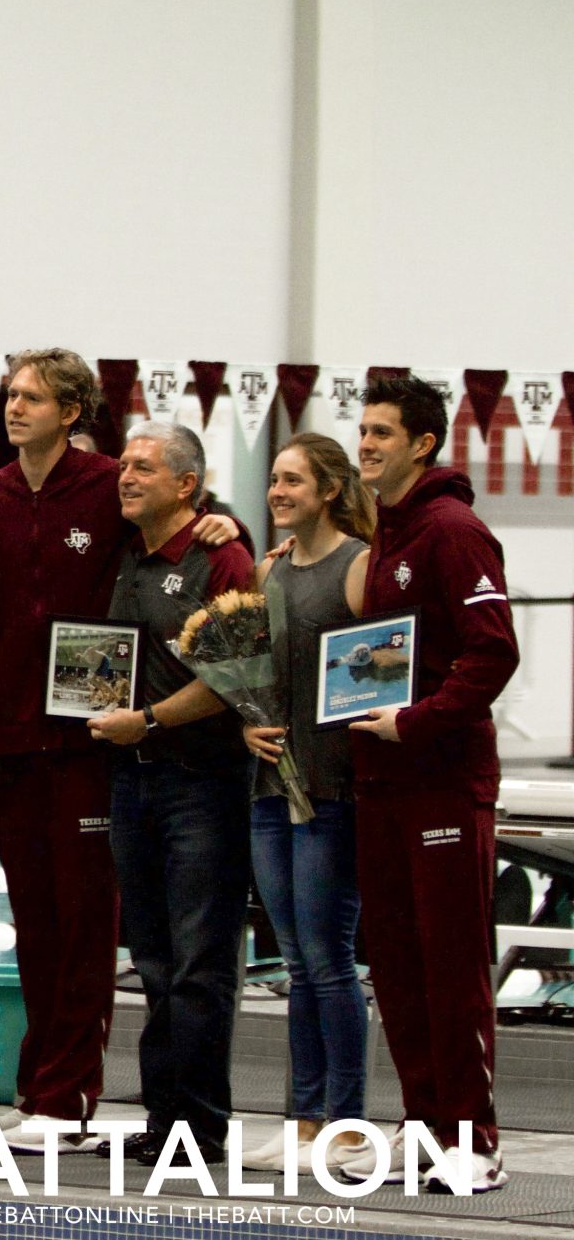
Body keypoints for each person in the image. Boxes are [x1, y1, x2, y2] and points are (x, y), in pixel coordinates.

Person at [0, 348, 231, 1153]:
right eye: (10, 395)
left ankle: (70, 1094)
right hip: (13, 734)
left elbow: (183, 533)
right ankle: (40, 1084)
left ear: (72, 410)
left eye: (33, 396)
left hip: (90, 736)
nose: (14, 407)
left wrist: (222, 522)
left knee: (83, 920)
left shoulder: (110, 483)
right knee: (32, 917)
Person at [349, 373, 518, 1192]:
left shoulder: (452, 530)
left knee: (449, 964)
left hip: (442, 780)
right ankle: (424, 1127)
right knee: (398, 965)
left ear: (422, 443)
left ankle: (474, 1140)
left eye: (383, 431)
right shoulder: (388, 533)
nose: (367, 443)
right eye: (363, 429)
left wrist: (416, 722)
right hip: (383, 778)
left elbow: (493, 652)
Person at [86, 421, 255, 1163]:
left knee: (199, 960)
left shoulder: (222, 556)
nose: (124, 476)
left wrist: (147, 721)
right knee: (153, 958)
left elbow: (231, 679)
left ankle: (200, 1124)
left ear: (186, 484)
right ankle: (165, 1119)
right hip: (135, 778)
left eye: (142, 467)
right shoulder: (129, 558)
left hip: (202, 781)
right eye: (123, 464)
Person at [237, 433, 372, 1174]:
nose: (279, 491)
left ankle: (346, 1121)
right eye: (274, 480)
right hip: (269, 786)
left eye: (293, 480)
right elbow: (253, 674)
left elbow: (384, 669)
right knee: (295, 959)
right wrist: (247, 724)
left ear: (327, 489)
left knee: (328, 958)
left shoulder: (358, 567)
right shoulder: (268, 570)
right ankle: (305, 1118)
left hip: (330, 789)